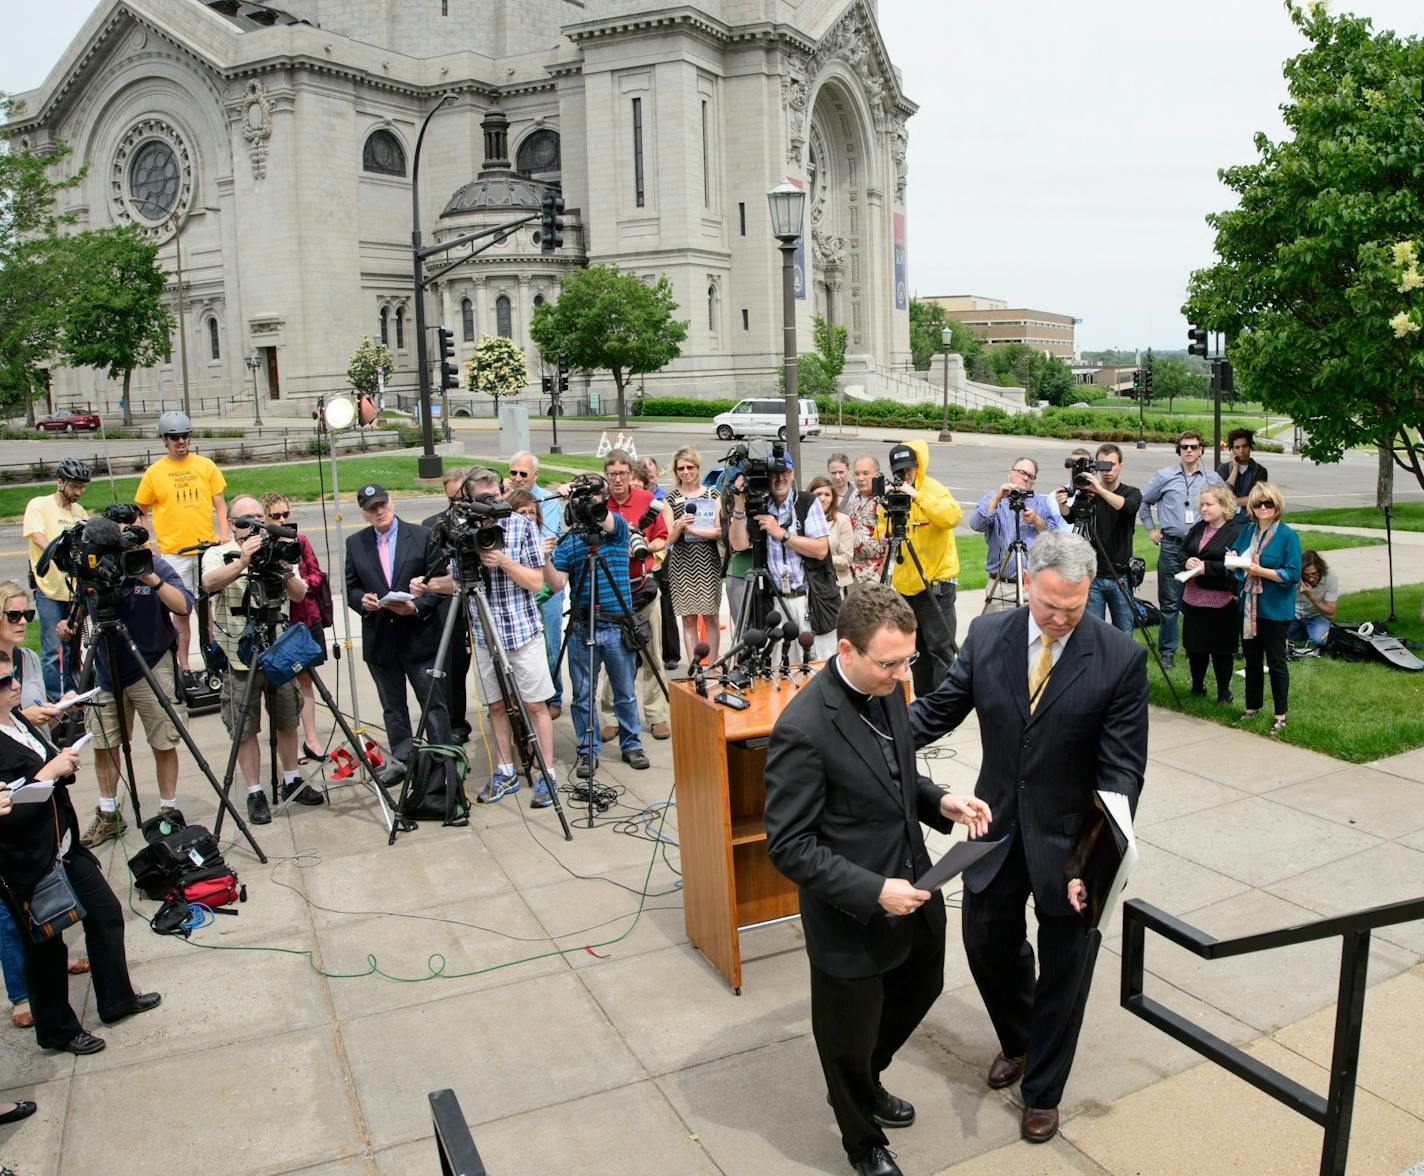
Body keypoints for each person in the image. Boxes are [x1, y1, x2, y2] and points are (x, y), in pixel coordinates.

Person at [909, 531, 1148, 1145]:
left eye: (1074, 606)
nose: (1061, 617)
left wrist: (1093, 863)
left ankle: (1043, 1089)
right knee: (986, 941)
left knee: (1066, 969)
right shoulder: (990, 635)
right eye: (1049, 605)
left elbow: (1121, 772)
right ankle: (1021, 1037)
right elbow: (938, 710)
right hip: (995, 827)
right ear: (1027, 581)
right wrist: (860, 732)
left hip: (1072, 842)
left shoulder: (1119, 657)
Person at [764, 584, 991, 1176]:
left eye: (906, 660)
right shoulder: (804, 729)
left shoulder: (889, 687)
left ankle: (868, 1077)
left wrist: (941, 802)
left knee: (922, 988)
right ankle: (862, 1141)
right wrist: (872, 891)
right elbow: (789, 846)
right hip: (854, 915)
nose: (900, 674)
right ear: (846, 650)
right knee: (846, 1038)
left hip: (916, 883)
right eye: (888, 662)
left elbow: (897, 771)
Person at [0, 648, 161, 1056]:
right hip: (27, 861)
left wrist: (60, 763)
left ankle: (116, 1000)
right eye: (4, 682)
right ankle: (57, 1030)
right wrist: (47, 773)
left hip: (63, 843)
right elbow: (9, 812)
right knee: (45, 946)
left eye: (13, 675)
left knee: (106, 915)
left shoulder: (17, 719)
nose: (16, 684)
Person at [412, 468, 559, 809]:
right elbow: (455, 582)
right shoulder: (462, 532)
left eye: (495, 493)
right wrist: (428, 584)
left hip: (521, 632)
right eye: (482, 496)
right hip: (483, 635)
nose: (490, 500)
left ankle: (547, 773)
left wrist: (503, 560)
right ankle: (505, 769)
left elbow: (537, 583)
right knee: (495, 706)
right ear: (468, 499)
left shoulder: (522, 526)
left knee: (535, 705)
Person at [73, 526, 194, 847]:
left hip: (151, 665)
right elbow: (78, 611)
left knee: (163, 741)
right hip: (106, 671)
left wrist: (148, 576)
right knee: (104, 743)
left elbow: (184, 605)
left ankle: (168, 809)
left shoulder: (150, 563)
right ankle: (109, 813)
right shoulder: (92, 569)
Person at [201, 496, 315, 823]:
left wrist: (282, 568)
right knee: (244, 727)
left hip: (278, 654)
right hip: (240, 658)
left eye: (257, 517)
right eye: (244, 519)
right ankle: (254, 791)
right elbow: (209, 583)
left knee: (287, 718)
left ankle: (292, 778)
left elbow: (299, 594)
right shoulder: (218, 554)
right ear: (233, 524)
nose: (252, 523)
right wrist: (242, 562)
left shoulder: (275, 550)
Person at [343, 483, 450, 765]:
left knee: (433, 705)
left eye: (382, 504)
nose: (379, 512)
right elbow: (350, 587)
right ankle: (403, 763)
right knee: (393, 709)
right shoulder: (355, 543)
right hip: (381, 640)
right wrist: (361, 601)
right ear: (364, 514)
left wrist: (416, 607)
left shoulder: (422, 535)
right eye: (372, 509)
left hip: (419, 638)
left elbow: (440, 587)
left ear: (391, 502)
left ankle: (443, 765)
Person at [550, 484, 645, 777]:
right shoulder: (569, 544)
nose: (587, 512)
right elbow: (556, 584)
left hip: (617, 625)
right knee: (582, 695)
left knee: (625, 692)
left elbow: (608, 519)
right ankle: (587, 750)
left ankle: (632, 744)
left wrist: (590, 500)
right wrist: (545, 559)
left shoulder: (616, 533)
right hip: (582, 627)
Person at [133, 411, 229, 675]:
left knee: (206, 608)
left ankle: (214, 661)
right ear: (165, 440)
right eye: (174, 437)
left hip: (205, 548)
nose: (181, 441)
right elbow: (140, 510)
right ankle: (183, 665)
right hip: (175, 551)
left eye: (184, 436)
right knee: (180, 611)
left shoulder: (205, 466)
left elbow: (219, 502)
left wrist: (223, 532)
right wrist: (146, 543)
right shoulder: (155, 473)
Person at [726, 450, 838, 659]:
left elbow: (821, 550)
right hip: (775, 600)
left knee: (816, 666)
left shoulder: (806, 502)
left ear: (792, 472)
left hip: (809, 600)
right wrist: (740, 506)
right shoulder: (759, 505)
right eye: (774, 473)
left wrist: (782, 534)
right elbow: (739, 544)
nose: (780, 478)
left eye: (785, 472)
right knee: (779, 669)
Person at [596, 450, 671, 743]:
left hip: (642, 587)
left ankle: (655, 715)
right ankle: (611, 716)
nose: (617, 479)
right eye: (612, 474)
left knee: (652, 655)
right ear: (606, 475)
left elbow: (663, 538)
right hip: (610, 592)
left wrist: (643, 547)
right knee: (614, 657)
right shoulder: (599, 504)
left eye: (622, 473)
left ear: (631, 475)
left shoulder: (646, 501)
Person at [879, 441, 963, 696]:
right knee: (916, 652)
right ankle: (924, 703)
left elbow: (952, 517)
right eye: (900, 471)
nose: (905, 475)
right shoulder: (892, 493)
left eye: (909, 469)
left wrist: (917, 497)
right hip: (906, 587)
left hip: (935, 584)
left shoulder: (933, 489)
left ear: (918, 466)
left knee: (940, 649)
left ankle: (945, 707)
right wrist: (883, 533)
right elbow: (882, 526)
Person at [1138, 430, 1224, 669]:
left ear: (1201, 450)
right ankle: (1168, 651)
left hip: (1202, 547)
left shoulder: (1213, 478)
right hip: (1172, 546)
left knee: (1199, 601)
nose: (1189, 450)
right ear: (1179, 450)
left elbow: (1228, 506)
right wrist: (1150, 529)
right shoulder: (1164, 476)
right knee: (1169, 602)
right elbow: (1143, 501)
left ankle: (1196, 647)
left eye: (1193, 447)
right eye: (1184, 446)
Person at [262, 493, 330, 762]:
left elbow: (316, 577)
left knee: (305, 680)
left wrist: (298, 578)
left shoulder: (300, 542)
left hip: (304, 619)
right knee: (281, 686)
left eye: (285, 515)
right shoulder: (263, 546)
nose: (281, 520)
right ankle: (292, 746)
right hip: (278, 624)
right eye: (275, 516)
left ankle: (312, 739)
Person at [1230, 482, 1301, 736]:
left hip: (1274, 609)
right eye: (1258, 503)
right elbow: (1235, 552)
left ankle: (1280, 714)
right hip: (1249, 606)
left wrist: (1262, 572)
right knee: (1251, 660)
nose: (1263, 507)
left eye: (1268, 503)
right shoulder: (1248, 530)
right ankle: (1252, 707)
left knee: (1276, 662)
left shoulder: (1287, 536)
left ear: (1276, 505)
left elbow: (1292, 574)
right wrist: (1235, 558)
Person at [22, 459, 91, 699]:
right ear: (60, 482)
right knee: (51, 648)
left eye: (82, 487)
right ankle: (53, 697)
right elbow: (38, 536)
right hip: (48, 589)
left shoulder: (79, 512)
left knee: (72, 646)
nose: (78, 492)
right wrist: (60, 551)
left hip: (73, 591)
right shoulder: (39, 505)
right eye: (74, 486)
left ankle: (72, 694)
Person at [1057, 443, 1141, 634]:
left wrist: (1100, 490)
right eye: (1103, 465)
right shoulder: (1087, 494)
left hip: (1120, 576)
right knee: (1094, 633)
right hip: (1093, 576)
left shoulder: (1131, 492)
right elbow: (1071, 516)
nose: (1108, 470)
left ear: (1121, 465)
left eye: (1112, 464)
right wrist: (1062, 504)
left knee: (1123, 633)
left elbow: (1127, 507)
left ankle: (1123, 665)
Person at [507, 452, 565, 718]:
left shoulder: (548, 500)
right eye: (513, 473)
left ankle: (553, 696)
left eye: (523, 474)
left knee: (551, 645)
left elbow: (546, 539)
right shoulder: (503, 502)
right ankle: (519, 699)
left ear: (535, 476)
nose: (517, 478)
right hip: (515, 585)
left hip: (545, 581)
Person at [971, 457, 1066, 612]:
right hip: (1001, 585)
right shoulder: (992, 498)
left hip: (1032, 586)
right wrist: (997, 498)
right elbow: (976, 525)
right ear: (1010, 473)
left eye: (1030, 476)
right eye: (1022, 472)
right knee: (996, 633)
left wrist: (1036, 520)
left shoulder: (1038, 502)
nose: (1025, 477)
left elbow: (1054, 536)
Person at [422, 471, 473, 746]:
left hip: (481, 601)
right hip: (450, 605)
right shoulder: (433, 525)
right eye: (453, 499)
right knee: (452, 666)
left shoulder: (483, 522)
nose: (458, 504)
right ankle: (454, 722)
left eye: (463, 498)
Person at [1180, 485, 1243, 702]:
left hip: (1221, 599)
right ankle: (1197, 687)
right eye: (1202, 505)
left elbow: (1237, 565)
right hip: (1193, 596)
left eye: (1209, 504)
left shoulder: (1236, 531)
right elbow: (1182, 551)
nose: (1204, 509)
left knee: (1221, 649)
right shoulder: (1199, 528)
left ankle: (1224, 692)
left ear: (1224, 505)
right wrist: (1186, 561)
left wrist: (1208, 567)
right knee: (1195, 647)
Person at [664, 447, 724, 664]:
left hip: (707, 561)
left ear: (698, 468)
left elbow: (719, 531)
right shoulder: (671, 498)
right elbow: (667, 539)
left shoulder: (712, 495)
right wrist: (679, 526)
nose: (686, 472)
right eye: (681, 468)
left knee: (711, 616)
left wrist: (694, 530)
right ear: (676, 471)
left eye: (690, 467)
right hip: (681, 562)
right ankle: (694, 665)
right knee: (688, 619)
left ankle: (713, 665)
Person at [809, 476, 854, 592]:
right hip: (808, 583)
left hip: (834, 583)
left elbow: (846, 559)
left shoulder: (842, 520)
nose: (822, 499)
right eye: (818, 494)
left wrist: (820, 556)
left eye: (827, 495)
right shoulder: (802, 520)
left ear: (833, 498)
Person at [846, 456, 886, 585]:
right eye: (857, 474)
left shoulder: (885, 499)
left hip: (876, 572)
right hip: (854, 570)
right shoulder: (854, 495)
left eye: (866, 473)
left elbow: (892, 542)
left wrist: (881, 572)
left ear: (878, 475)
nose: (860, 478)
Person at [1218, 428, 1268, 523]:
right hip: (1227, 523)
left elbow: (1258, 499)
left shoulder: (1260, 471)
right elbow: (1221, 496)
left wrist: (1231, 501)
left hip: (1250, 521)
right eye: (1237, 447)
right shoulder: (1223, 468)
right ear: (1232, 450)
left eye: (1244, 446)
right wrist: (1235, 469)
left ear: (1250, 447)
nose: (1241, 450)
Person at [1291, 550, 1338, 647]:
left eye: (1314, 574)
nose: (1311, 578)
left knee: (1319, 641)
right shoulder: (1294, 575)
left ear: (1320, 570)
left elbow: (1331, 614)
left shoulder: (1330, 576)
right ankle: (1303, 632)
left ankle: (1305, 632)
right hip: (1293, 614)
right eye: (1306, 575)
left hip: (1316, 616)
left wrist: (1311, 596)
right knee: (1274, 638)